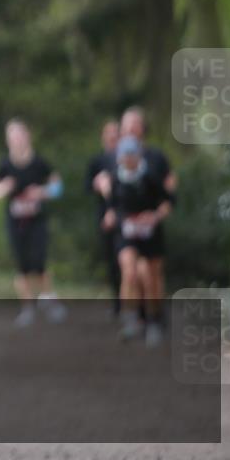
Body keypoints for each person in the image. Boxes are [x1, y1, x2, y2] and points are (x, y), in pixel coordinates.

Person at [93, 106, 176, 334]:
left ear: (142, 127)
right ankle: (135, 318)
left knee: (152, 274)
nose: (130, 128)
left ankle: (156, 315)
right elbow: (104, 185)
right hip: (125, 226)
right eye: (126, 124)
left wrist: (157, 214)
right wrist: (111, 208)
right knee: (130, 270)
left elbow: (168, 190)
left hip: (150, 225)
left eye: (134, 124)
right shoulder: (111, 157)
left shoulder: (155, 158)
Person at [0, 119, 66, 327]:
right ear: (8, 141)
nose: (17, 140)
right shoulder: (4, 165)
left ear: (27, 137)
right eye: (12, 137)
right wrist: (4, 188)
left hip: (37, 220)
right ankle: (27, 308)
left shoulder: (39, 163)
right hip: (15, 222)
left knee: (39, 261)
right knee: (22, 265)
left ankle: (48, 299)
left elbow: (58, 188)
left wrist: (42, 192)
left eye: (20, 136)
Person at [85, 120, 120, 316]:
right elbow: (87, 186)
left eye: (116, 132)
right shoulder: (97, 161)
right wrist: (98, 185)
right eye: (109, 133)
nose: (112, 136)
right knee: (112, 261)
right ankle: (118, 304)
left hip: (124, 215)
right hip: (103, 216)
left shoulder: (127, 158)